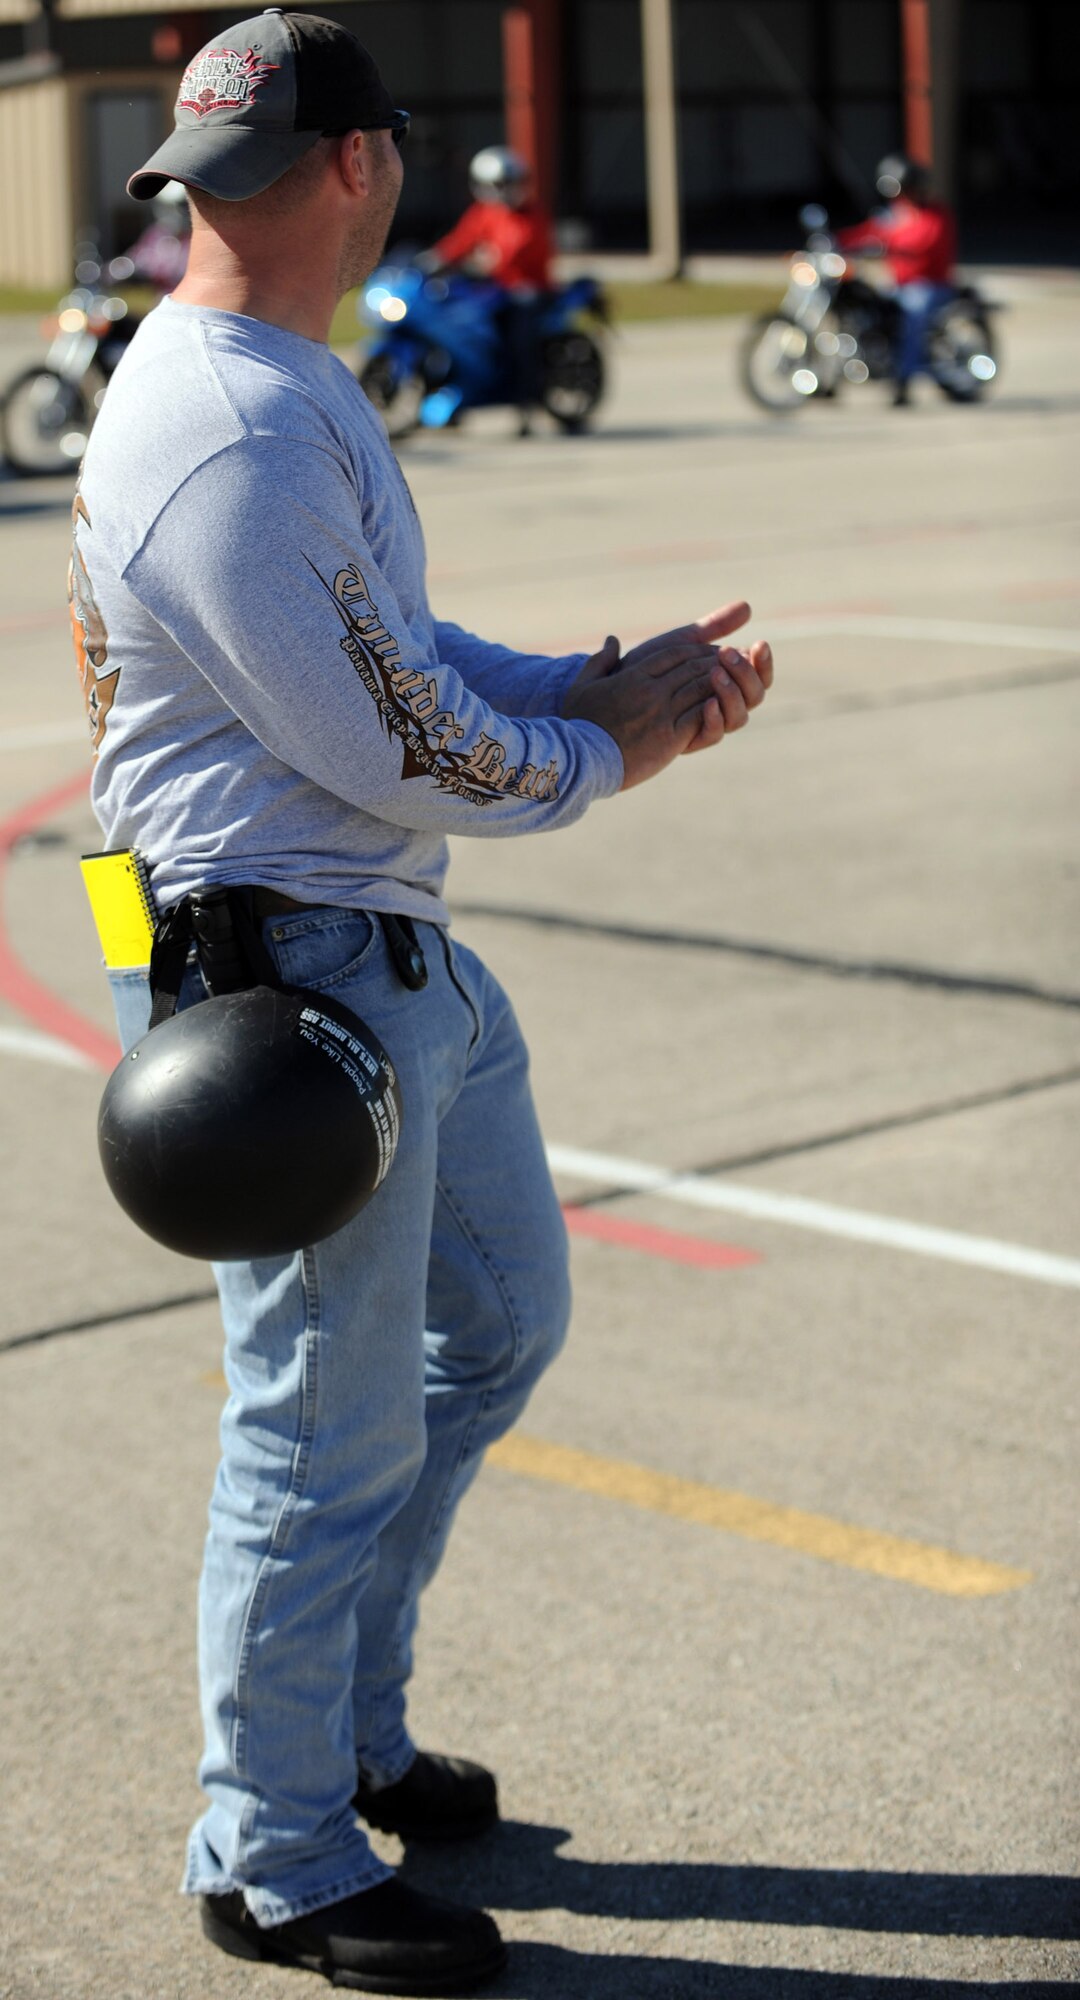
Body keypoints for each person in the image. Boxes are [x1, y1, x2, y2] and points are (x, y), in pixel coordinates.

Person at [70, 10, 773, 1994]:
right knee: (316, 1436)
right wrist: (610, 753)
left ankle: (345, 1734)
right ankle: (273, 1847)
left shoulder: (280, 381)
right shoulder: (227, 420)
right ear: (370, 165)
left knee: (503, 1326)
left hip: (384, 955)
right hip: (288, 995)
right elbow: (392, 739)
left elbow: (400, 649)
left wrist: (588, 674)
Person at [426, 145, 554, 433]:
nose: (506, 190)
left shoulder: (531, 215)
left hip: (528, 292)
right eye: (500, 184)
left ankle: (526, 405)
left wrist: (485, 263)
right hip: (491, 292)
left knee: (518, 340)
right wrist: (434, 260)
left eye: (511, 183)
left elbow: (517, 251)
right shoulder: (484, 212)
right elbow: (460, 242)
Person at [837, 154, 958, 405]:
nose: (899, 197)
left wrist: (888, 246)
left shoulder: (936, 215)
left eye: (903, 191)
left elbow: (926, 242)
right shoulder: (895, 214)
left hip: (928, 285)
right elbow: (867, 232)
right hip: (897, 284)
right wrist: (835, 241)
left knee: (913, 315)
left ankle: (904, 380)